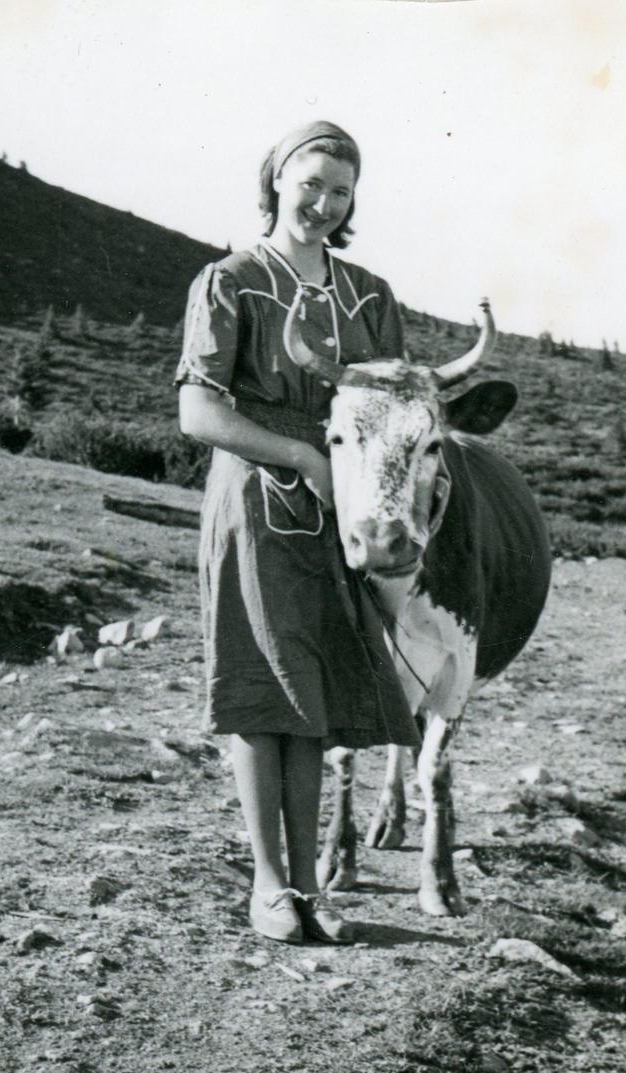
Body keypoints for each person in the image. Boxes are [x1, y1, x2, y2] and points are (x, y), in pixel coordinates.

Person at [176, 120, 419, 946]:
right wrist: (300, 456)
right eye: (309, 183)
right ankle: (268, 886)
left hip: (346, 512)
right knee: (261, 691)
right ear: (278, 179)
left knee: (310, 697)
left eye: (340, 191)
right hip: (255, 499)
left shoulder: (371, 296)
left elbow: (390, 407)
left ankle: (312, 889)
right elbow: (198, 410)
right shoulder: (230, 281)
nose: (322, 203)